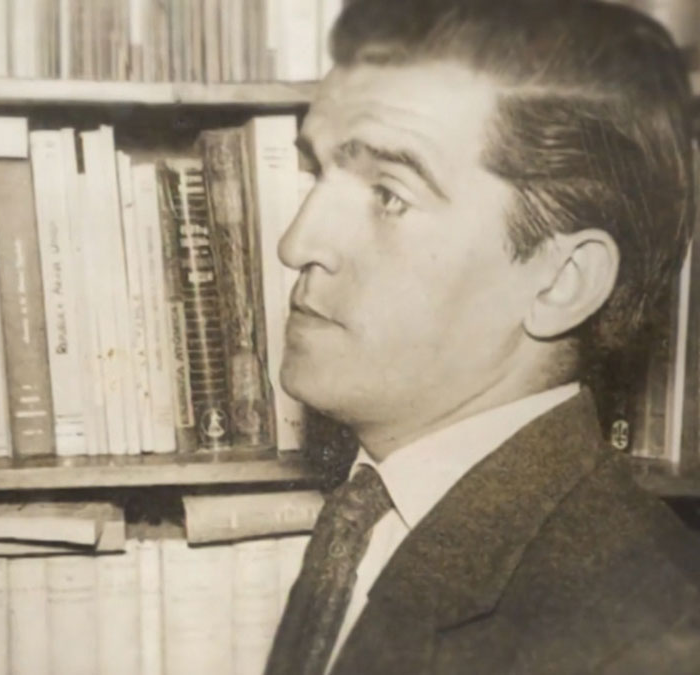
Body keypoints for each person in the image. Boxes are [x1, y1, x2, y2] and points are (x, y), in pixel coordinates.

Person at [264, 1, 700, 673]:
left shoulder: (647, 638)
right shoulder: (370, 507)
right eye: (316, 173)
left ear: (561, 282)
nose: (296, 244)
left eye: (389, 195)